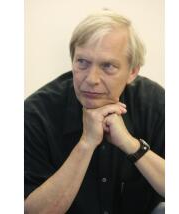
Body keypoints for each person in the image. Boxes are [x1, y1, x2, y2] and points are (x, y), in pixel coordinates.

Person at [24, 10, 165, 214]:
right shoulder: (36, 114)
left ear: (132, 71)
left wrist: (131, 145)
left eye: (107, 66)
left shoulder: (154, 103)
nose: (91, 79)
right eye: (82, 62)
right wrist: (86, 143)